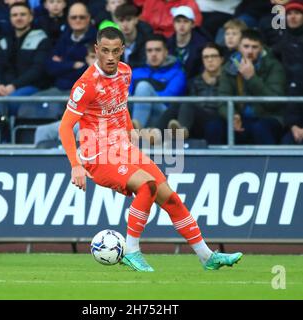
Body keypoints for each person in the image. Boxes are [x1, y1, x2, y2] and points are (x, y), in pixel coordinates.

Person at [59, 27, 243, 272]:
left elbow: (120, 106)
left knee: (172, 200)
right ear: (96, 50)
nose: (111, 57)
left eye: (116, 51)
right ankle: (132, 251)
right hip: (98, 155)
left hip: (123, 148)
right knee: (147, 186)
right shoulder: (86, 84)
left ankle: (206, 256)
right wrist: (76, 165)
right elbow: (65, 126)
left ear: (123, 50)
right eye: (105, 51)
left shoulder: (125, 72)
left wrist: (129, 132)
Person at [0, 2, 51, 115]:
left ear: (31, 17)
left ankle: (6, 132)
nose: (18, 18)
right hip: (3, 88)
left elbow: (37, 70)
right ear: (10, 18)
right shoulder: (4, 40)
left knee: (9, 102)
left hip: (30, 87)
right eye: (14, 15)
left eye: (22, 14)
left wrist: (14, 86)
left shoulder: (42, 39)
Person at [217, 29, 286, 145]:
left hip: (268, 117)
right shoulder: (229, 68)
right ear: (239, 47)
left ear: (261, 48)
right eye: (246, 46)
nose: (250, 51)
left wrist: (251, 78)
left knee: (260, 128)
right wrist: (232, 116)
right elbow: (223, 100)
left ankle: (270, 163)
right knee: (214, 127)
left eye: (254, 47)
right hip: (241, 117)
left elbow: (274, 102)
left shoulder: (273, 66)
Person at [158, 43, 225, 144]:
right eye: (206, 57)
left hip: (217, 116)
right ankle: (156, 134)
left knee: (188, 102)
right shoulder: (195, 80)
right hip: (198, 117)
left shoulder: (227, 79)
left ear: (221, 59)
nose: (210, 60)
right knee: (175, 105)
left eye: (213, 56)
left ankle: (182, 131)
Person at [130, 34, 187, 129]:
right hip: (136, 112)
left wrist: (144, 94)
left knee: (143, 87)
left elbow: (167, 99)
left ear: (166, 52)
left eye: (158, 50)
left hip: (163, 116)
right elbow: (127, 98)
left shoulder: (177, 73)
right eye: (149, 50)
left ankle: (136, 132)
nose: (153, 54)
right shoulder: (135, 72)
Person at [272, 0, 303, 144]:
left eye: (297, 13)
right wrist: (293, 124)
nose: (293, 17)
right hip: (288, 106)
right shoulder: (281, 42)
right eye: (289, 13)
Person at [167, 5, 208, 80]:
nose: (181, 25)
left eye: (185, 21)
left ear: (192, 24)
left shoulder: (202, 45)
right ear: (174, 24)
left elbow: (202, 71)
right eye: (178, 21)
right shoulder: (167, 43)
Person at [114, 3, 153, 68]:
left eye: (129, 20)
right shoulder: (113, 40)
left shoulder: (147, 38)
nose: (125, 25)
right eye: (121, 20)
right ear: (116, 22)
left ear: (136, 20)